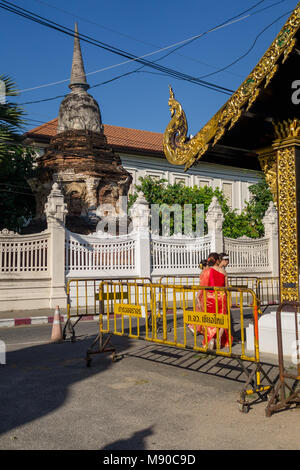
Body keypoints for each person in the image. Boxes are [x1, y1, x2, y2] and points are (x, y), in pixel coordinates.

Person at [194, 252, 232, 349]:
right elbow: (226, 287)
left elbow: (203, 286)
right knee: (223, 319)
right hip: (221, 297)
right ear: (218, 260)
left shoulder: (207, 271)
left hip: (210, 297)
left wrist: (198, 297)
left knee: (210, 319)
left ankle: (210, 339)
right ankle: (218, 340)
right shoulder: (224, 272)